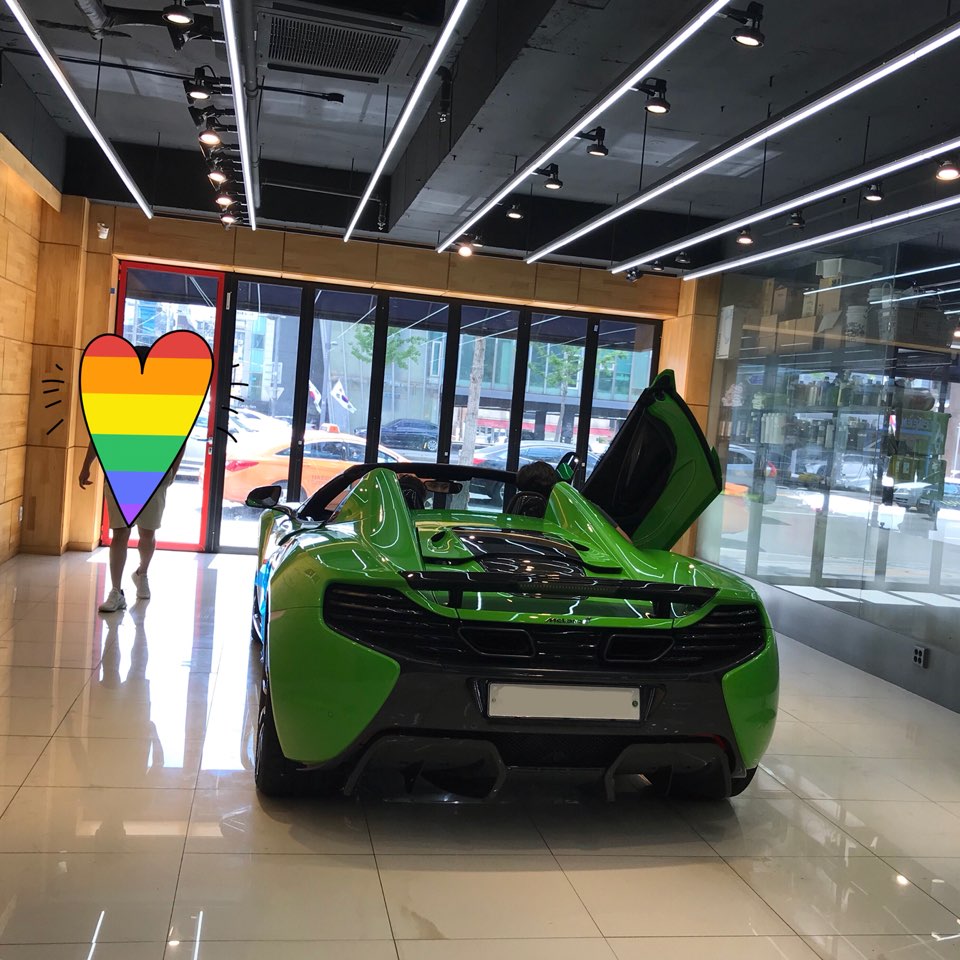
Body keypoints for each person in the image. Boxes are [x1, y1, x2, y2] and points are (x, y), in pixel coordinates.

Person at [78, 345, 184, 612]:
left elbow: (180, 437)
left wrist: (172, 470)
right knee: (120, 532)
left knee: (147, 533)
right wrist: (86, 465)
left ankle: (142, 573)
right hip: (120, 473)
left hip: (155, 474)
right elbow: (99, 434)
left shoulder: (164, 400)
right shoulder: (117, 398)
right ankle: (116, 592)